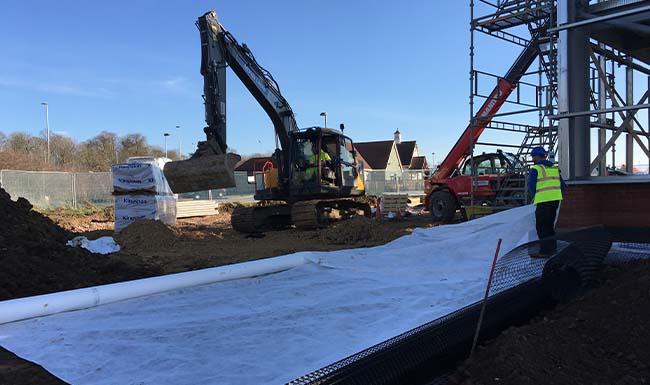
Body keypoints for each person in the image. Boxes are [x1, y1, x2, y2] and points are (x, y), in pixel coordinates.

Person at [528, 146, 565, 258]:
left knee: (542, 227)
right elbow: (562, 185)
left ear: (537, 156)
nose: (532, 159)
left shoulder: (536, 169)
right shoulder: (554, 169)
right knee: (549, 226)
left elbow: (531, 186)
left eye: (533, 156)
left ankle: (545, 252)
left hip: (543, 201)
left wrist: (534, 197)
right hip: (555, 201)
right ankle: (552, 249)